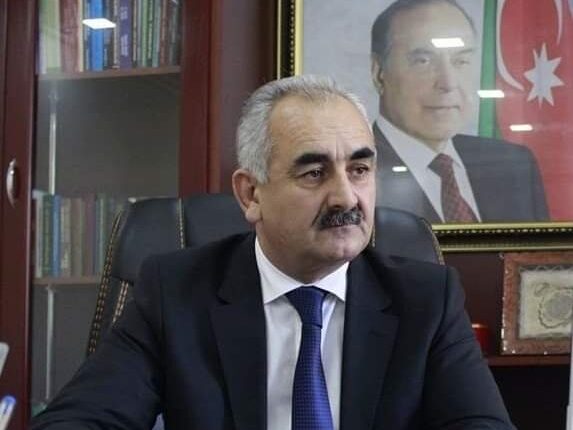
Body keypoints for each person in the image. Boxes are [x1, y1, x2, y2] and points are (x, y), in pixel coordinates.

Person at [30, 75, 514, 429]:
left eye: (360, 170)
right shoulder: (174, 293)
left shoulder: (426, 299)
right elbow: (81, 419)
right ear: (251, 194)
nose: (346, 197)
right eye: (314, 173)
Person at [371, 0, 549, 223]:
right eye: (422, 61)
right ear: (379, 74)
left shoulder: (513, 164)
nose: (448, 83)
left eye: (461, 61)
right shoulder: (351, 171)